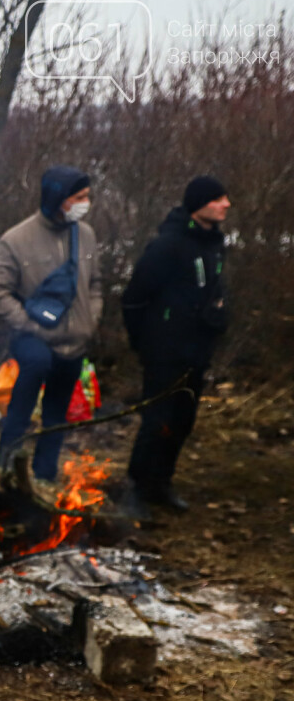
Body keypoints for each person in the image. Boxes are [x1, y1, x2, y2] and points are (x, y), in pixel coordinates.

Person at [120, 176, 232, 518]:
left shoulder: (214, 244)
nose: (227, 204)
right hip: (164, 351)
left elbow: (211, 289)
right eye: (218, 199)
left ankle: (161, 483)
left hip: (197, 351)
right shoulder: (167, 246)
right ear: (199, 205)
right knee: (156, 421)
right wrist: (144, 343)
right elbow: (135, 298)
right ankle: (138, 488)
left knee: (183, 420)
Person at [0, 165, 103, 480]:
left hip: (75, 342)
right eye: (78, 197)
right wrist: (28, 325)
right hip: (33, 340)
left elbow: (96, 284)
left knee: (57, 418)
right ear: (58, 198)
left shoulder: (86, 234)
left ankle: (44, 477)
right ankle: (5, 470)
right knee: (21, 413)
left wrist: (91, 319)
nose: (85, 203)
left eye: (87, 196)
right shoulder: (16, 239)